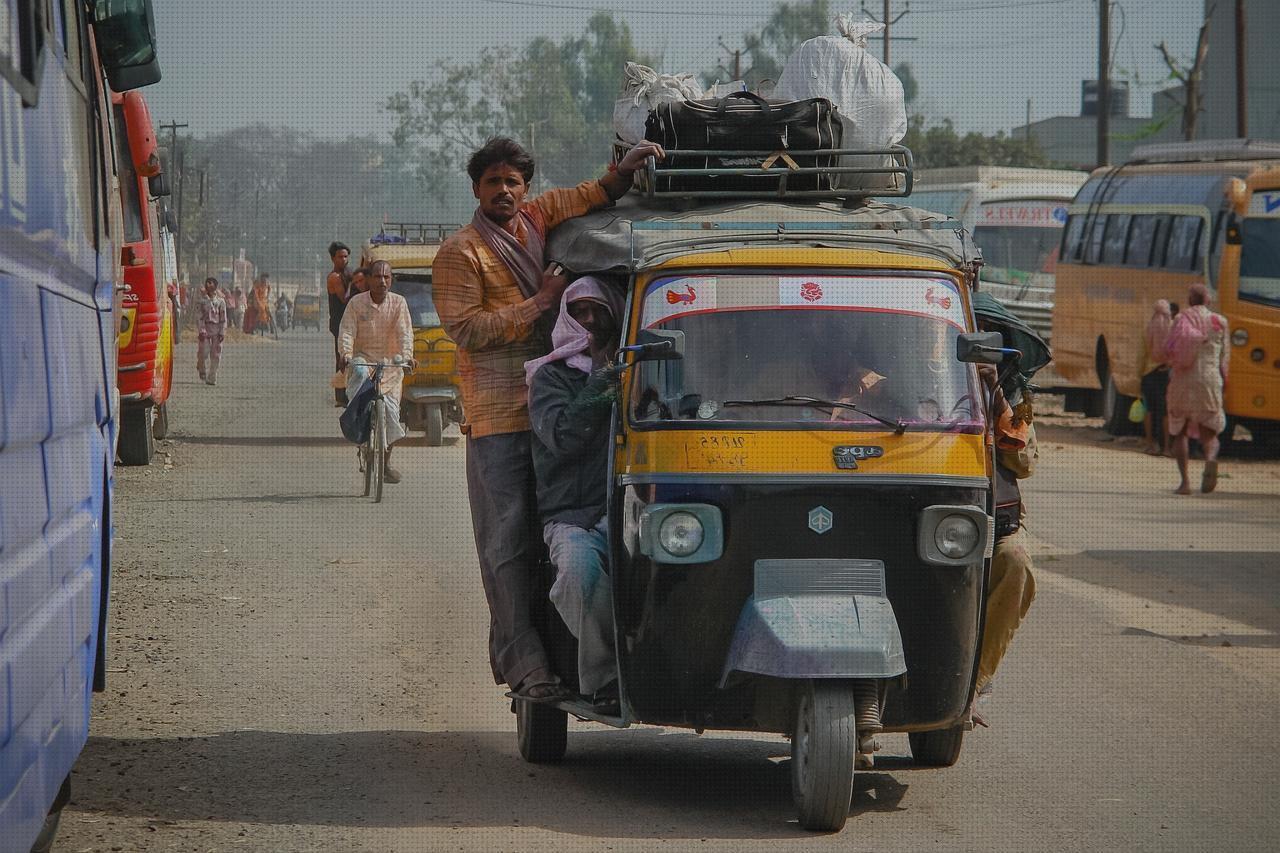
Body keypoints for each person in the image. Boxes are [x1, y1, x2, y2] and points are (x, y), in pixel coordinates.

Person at [434, 135, 665, 702]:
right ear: (476, 189)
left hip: (560, 401)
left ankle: (576, 655)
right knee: (509, 544)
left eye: (512, 182)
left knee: (570, 535)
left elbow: (589, 195)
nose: (504, 190)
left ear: (525, 189)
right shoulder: (461, 252)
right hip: (501, 416)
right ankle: (526, 664)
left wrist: (625, 169)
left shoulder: (537, 219)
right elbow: (466, 329)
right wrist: (542, 301)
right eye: (493, 182)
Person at [525, 277, 625, 711]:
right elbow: (563, 437)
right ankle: (608, 678)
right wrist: (600, 386)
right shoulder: (550, 377)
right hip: (573, 516)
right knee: (577, 577)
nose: (589, 320)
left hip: (632, 511)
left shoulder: (635, 370)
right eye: (579, 311)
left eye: (598, 311)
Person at [338, 260, 415, 483]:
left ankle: (385, 463)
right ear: (369, 279)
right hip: (364, 360)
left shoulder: (399, 303)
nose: (382, 281)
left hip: (391, 365)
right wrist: (345, 354)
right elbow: (347, 332)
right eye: (377, 277)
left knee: (391, 414)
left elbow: (405, 334)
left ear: (391, 280)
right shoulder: (356, 303)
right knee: (360, 383)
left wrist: (408, 356)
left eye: (386, 277)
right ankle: (360, 432)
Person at [1165, 283, 1229, 494]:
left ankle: (1185, 483)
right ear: (1208, 300)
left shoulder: (1180, 319)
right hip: (1210, 380)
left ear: (1189, 300)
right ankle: (1210, 459)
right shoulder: (1220, 322)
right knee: (1209, 432)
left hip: (1182, 381)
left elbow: (1169, 348)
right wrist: (1224, 384)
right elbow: (1224, 358)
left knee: (1180, 431)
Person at [1141, 300, 1176, 456]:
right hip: (1166, 373)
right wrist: (1170, 364)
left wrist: (1138, 374)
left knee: (1149, 410)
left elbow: (1141, 354)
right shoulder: (1173, 328)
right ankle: (1167, 448)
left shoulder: (1148, 328)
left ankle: (1150, 444)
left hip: (1148, 373)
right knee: (1165, 412)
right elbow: (1177, 351)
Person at [327, 241, 352, 404]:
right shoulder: (335, 277)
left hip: (348, 322)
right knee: (342, 358)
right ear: (333, 258)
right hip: (340, 323)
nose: (344, 260)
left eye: (345, 256)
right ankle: (341, 396)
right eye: (340, 257)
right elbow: (345, 299)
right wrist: (354, 284)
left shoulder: (346, 274)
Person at [195, 277, 228, 385]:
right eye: (207, 283)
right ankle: (201, 368)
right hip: (205, 329)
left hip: (217, 330)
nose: (209, 285)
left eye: (211, 283)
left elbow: (223, 318)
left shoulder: (221, 301)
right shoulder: (202, 301)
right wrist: (201, 330)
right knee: (203, 352)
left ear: (215, 286)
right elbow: (199, 317)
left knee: (216, 355)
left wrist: (222, 332)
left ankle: (212, 377)